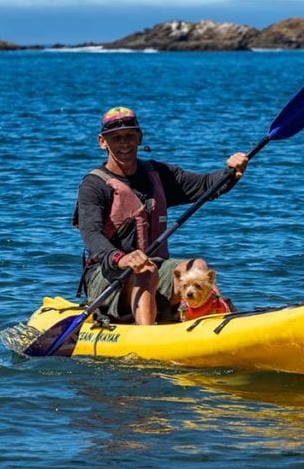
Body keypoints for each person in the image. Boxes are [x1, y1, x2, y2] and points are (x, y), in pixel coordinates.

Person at [73, 106, 249, 324]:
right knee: (145, 270)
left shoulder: (159, 174)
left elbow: (205, 185)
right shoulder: (93, 185)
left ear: (139, 137)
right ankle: (147, 340)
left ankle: (214, 322)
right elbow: (90, 235)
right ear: (102, 142)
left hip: (156, 269)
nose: (124, 143)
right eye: (116, 138)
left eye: (130, 136)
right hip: (108, 277)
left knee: (198, 267)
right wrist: (121, 258)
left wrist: (231, 173)